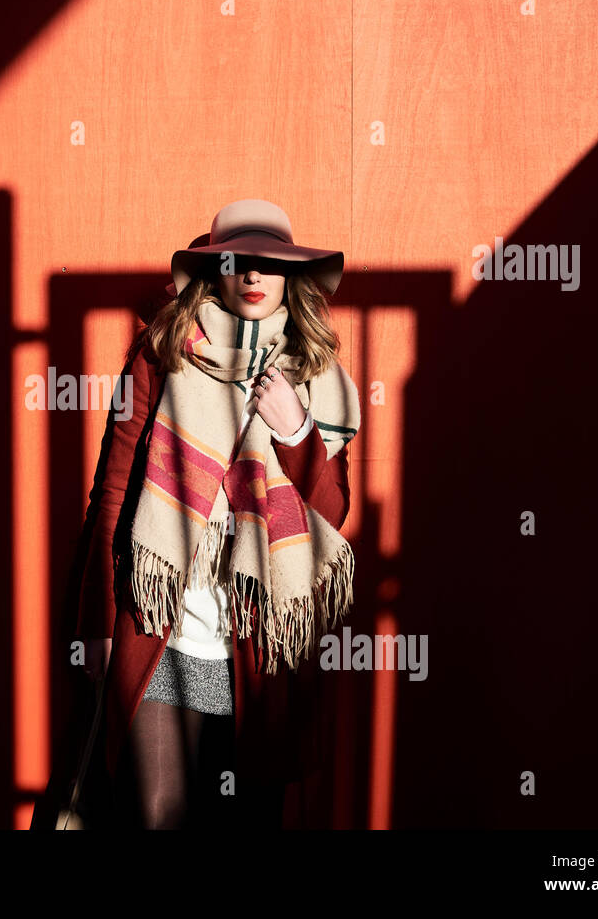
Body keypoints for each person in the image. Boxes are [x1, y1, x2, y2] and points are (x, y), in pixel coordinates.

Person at [71, 199, 360, 829]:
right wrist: (94, 622)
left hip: (256, 650)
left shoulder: (314, 374)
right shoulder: (161, 355)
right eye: (239, 262)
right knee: (155, 817)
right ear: (215, 270)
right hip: (162, 631)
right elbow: (113, 493)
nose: (254, 277)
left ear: (292, 277)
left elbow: (331, 513)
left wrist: (297, 429)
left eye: (270, 264)